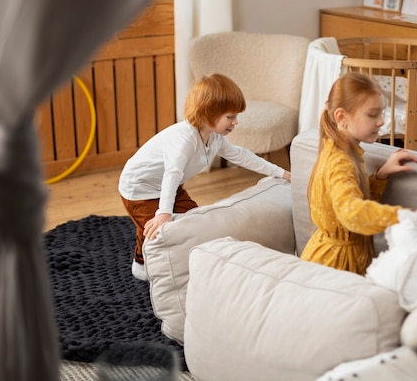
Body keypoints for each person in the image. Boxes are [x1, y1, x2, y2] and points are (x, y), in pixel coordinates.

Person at [119, 73, 291, 280]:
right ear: (208, 113)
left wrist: (281, 173)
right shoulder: (183, 139)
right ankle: (143, 264)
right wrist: (164, 212)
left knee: (195, 222)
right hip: (139, 189)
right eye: (230, 117)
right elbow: (171, 174)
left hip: (170, 186)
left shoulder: (215, 138)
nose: (236, 122)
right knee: (159, 232)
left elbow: (242, 156)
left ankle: (169, 255)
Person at [300, 72, 417, 275]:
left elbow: (347, 198)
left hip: (338, 260)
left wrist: (380, 175)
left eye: (382, 113)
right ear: (342, 117)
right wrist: (409, 217)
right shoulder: (340, 161)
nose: (381, 121)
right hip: (334, 267)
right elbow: (353, 213)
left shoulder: (343, 151)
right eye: (372, 114)